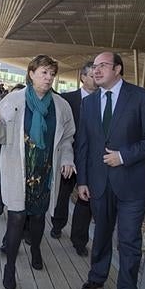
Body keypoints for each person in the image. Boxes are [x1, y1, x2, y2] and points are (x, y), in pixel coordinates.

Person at [75, 52, 145, 289]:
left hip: (132, 185)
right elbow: (83, 145)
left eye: (102, 65)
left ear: (118, 69)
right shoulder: (89, 103)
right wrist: (82, 181)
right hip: (99, 183)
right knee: (101, 234)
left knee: (128, 241)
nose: (96, 70)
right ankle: (97, 276)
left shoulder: (141, 97)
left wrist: (123, 156)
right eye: (94, 66)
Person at [0, 54, 76, 289]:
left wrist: (67, 159)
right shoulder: (13, 100)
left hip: (45, 174)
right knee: (16, 218)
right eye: (44, 72)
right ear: (31, 73)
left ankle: (36, 249)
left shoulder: (62, 106)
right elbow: (1, 135)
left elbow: (67, 139)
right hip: (18, 172)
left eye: (52, 74)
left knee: (37, 218)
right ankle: (10, 267)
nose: (48, 78)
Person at [50, 61, 98, 258]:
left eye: (98, 75)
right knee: (63, 192)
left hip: (92, 159)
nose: (96, 79)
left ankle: (79, 240)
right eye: (92, 75)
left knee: (85, 199)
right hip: (69, 154)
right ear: (83, 78)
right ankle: (57, 224)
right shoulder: (67, 100)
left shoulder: (105, 102)